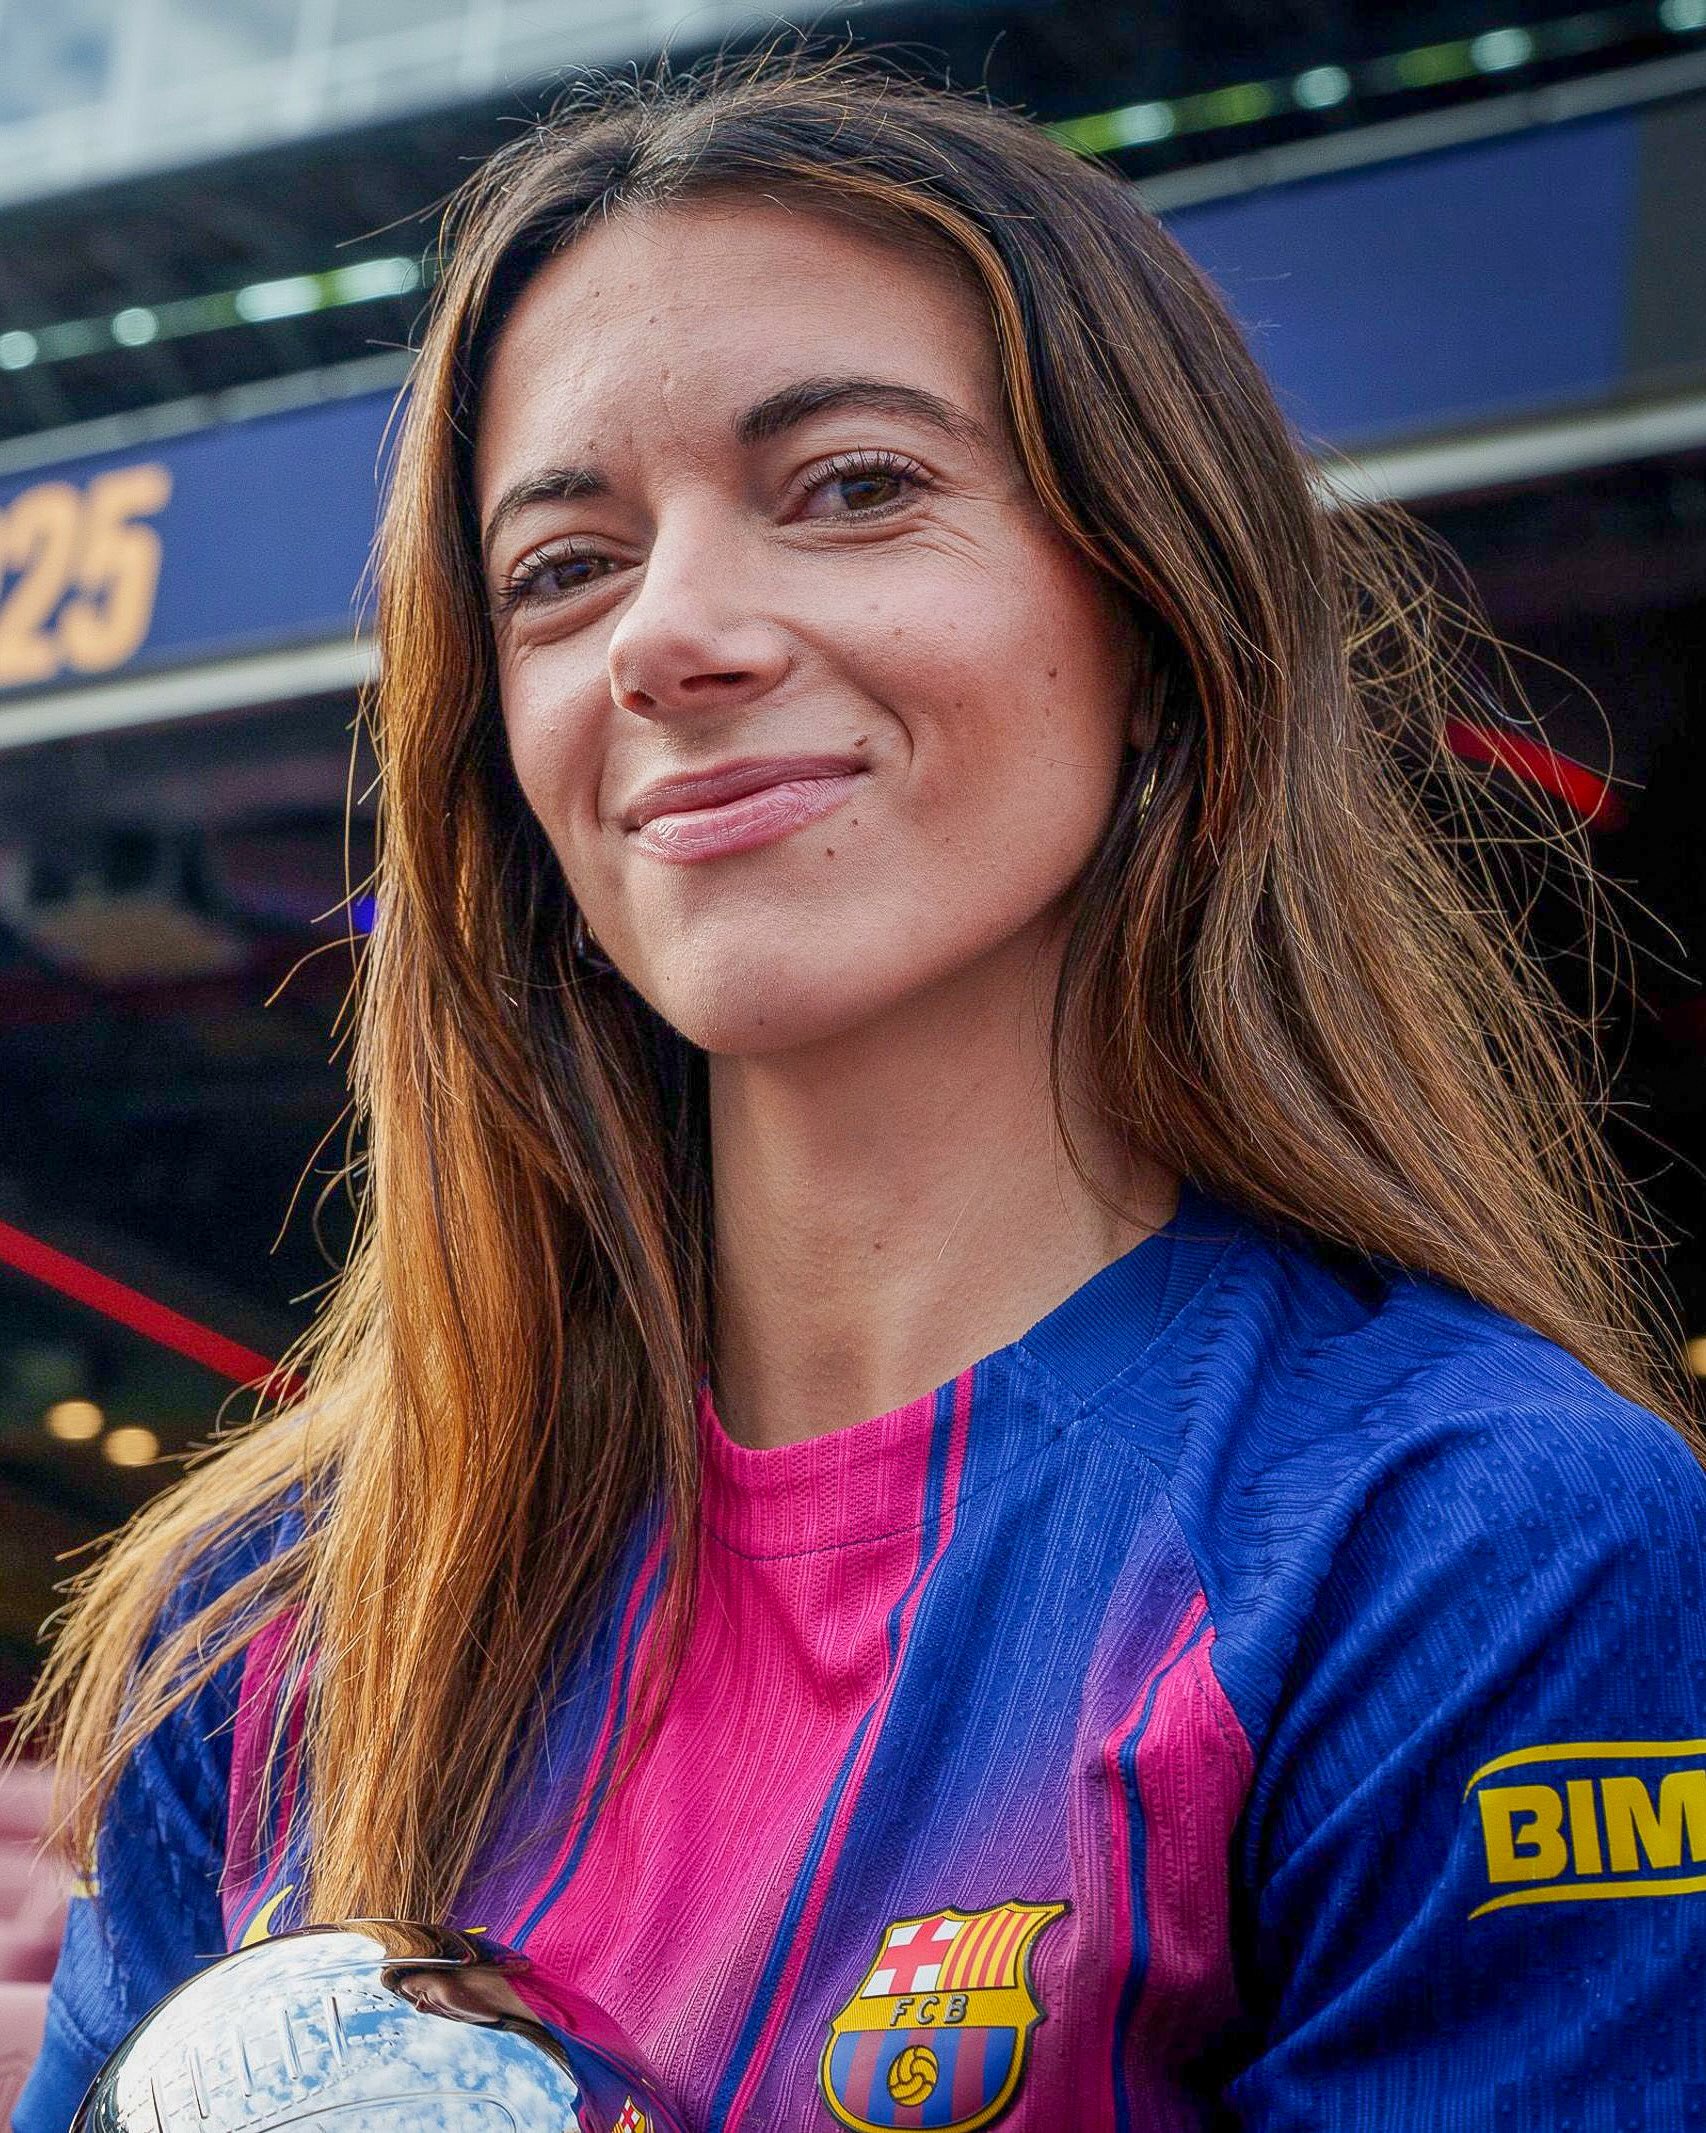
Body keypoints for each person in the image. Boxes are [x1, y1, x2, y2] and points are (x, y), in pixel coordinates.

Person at [13, 52, 1706, 2133]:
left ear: (1155, 615)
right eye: (562, 566)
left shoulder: (1468, 1541)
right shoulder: (272, 1616)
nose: (671, 635)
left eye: (851, 485)